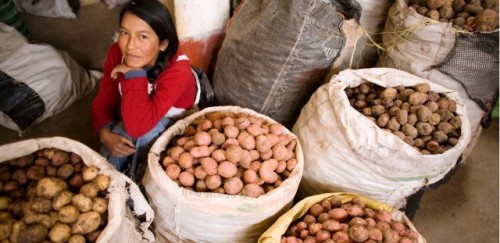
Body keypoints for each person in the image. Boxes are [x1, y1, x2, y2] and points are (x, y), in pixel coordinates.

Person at [91, 0, 199, 179]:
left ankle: (130, 184)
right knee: (116, 137)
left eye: (143, 36)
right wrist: (104, 134)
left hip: (171, 120)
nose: (130, 46)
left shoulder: (178, 72)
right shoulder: (117, 52)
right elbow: (104, 100)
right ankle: (102, 182)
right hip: (138, 114)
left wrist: (134, 74)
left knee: (133, 134)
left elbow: (138, 128)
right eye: (125, 33)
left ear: (163, 44)